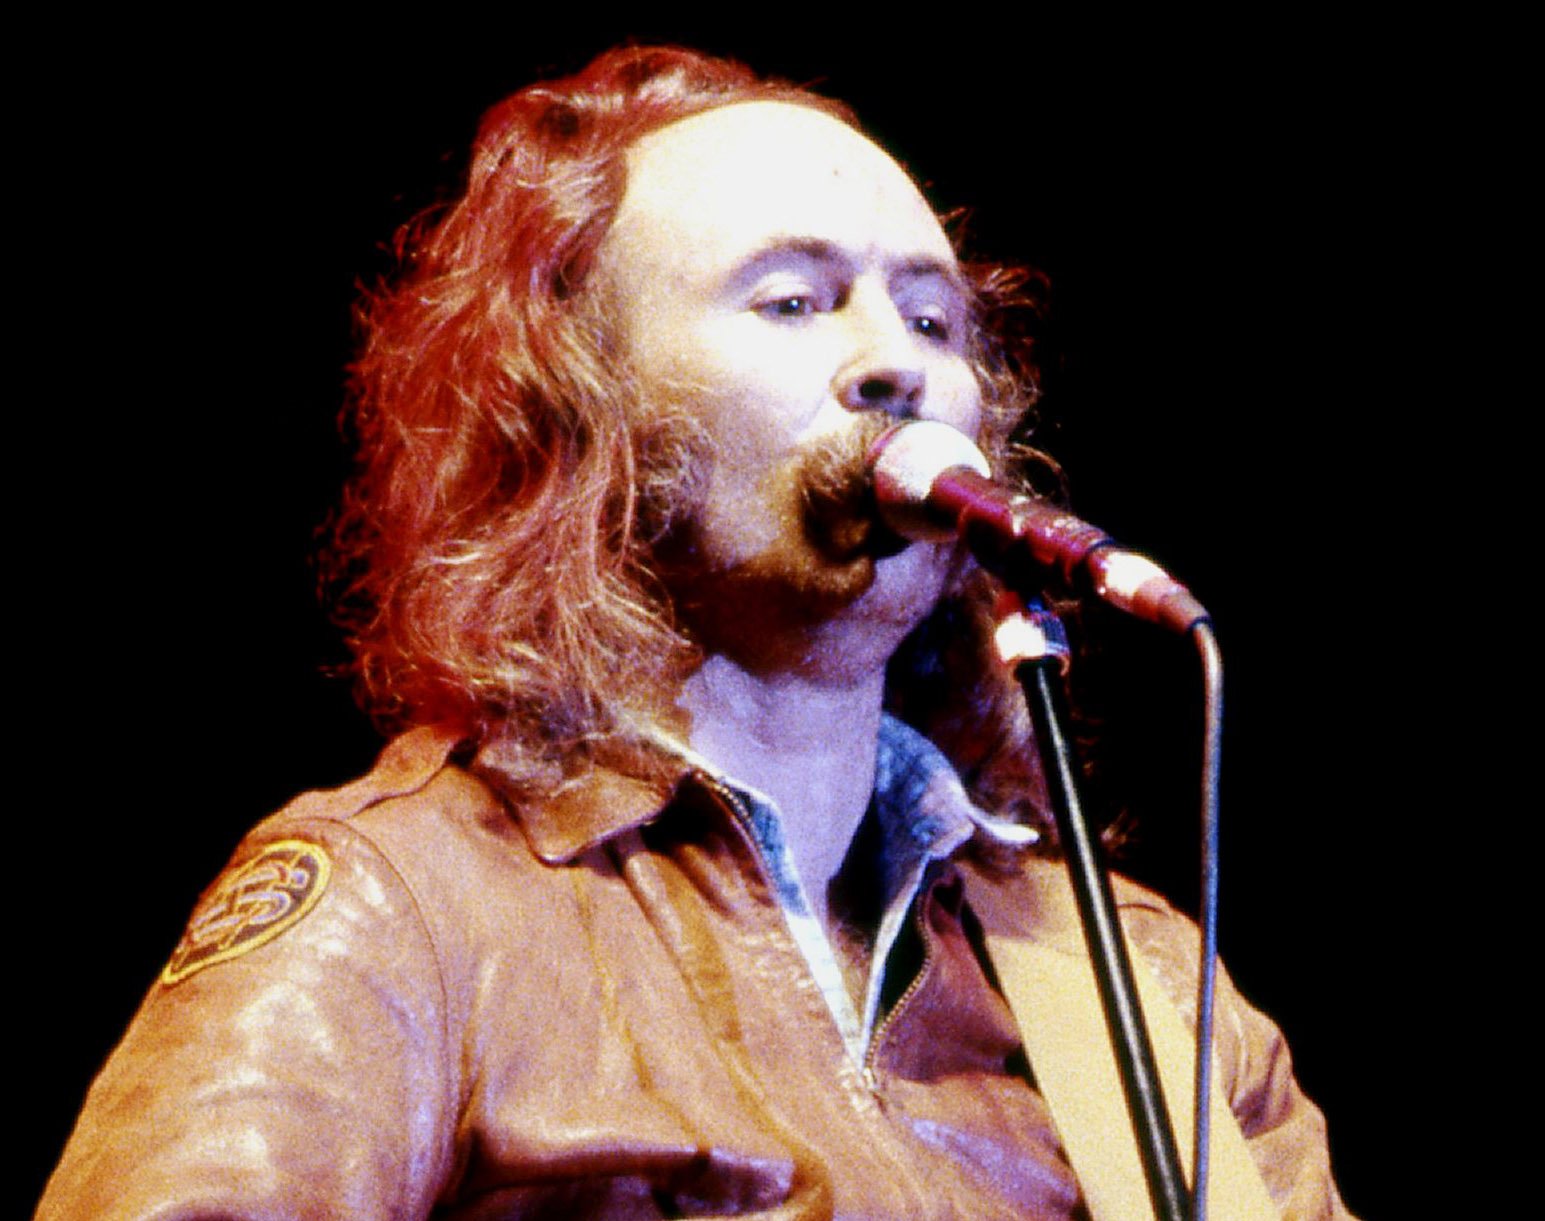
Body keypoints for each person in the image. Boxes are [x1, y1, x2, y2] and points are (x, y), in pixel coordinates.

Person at [40, 46, 1351, 1219]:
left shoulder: (1138, 987)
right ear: (581, 412)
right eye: (792, 302)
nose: (895, 361)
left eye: (930, 318)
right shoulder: (408, 906)